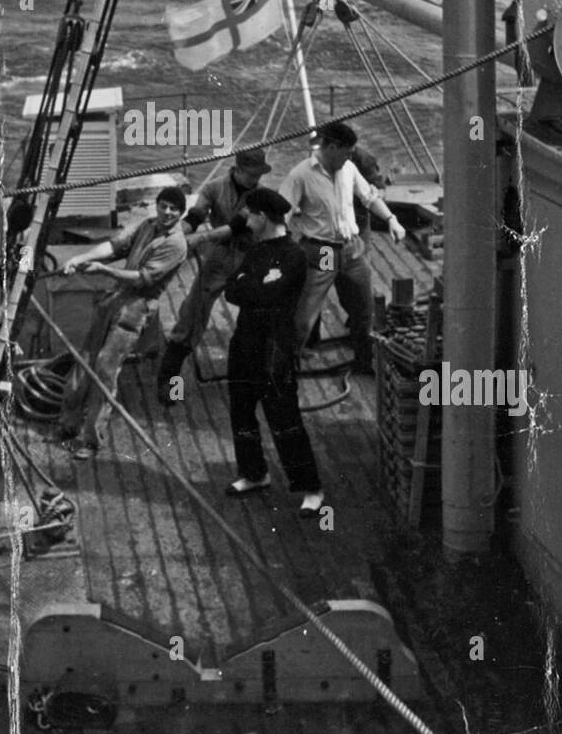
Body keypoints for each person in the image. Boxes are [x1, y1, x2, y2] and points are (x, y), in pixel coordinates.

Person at [58, 187, 188, 459]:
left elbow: (142, 278)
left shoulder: (177, 244)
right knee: (85, 359)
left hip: (137, 307)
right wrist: (81, 258)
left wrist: (103, 269)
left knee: (106, 369)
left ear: (181, 213)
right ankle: (68, 424)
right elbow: (116, 246)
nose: (167, 212)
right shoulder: (147, 225)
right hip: (115, 298)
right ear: (157, 206)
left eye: (173, 209)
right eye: (163, 206)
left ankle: (91, 440)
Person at [222, 187, 324, 516]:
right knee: (241, 411)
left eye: (250, 214)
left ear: (264, 216)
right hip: (245, 342)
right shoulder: (256, 252)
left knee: (284, 418)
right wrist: (257, 285)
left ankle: (311, 487)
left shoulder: (294, 255)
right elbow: (232, 290)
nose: (247, 221)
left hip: (274, 348)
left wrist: (251, 286)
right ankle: (254, 472)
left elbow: (264, 295)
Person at [277, 120, 406, 374]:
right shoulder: (300, 175)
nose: (350, 157)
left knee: (364, 311)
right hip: (323, 251)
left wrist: (392, 219)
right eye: (347, 151)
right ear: (332, 146)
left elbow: (369, 197)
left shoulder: (348, 169)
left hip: (351, 249)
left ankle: (363, 361)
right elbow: (282, 214)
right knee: (305, 317)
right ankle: (284, 371)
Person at [156, 147, 271, 400]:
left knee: (259, 318)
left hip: (251, 258)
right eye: (252, 174)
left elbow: (235, 227)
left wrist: (197, 239)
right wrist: (174, 233)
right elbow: (196, 216)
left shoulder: (260, 193)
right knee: (191, 316)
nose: (256, 179)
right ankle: (170, 385)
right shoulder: (214, 188)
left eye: (258, 174)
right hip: (219, 258)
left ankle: (257, 382)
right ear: (238, 169)